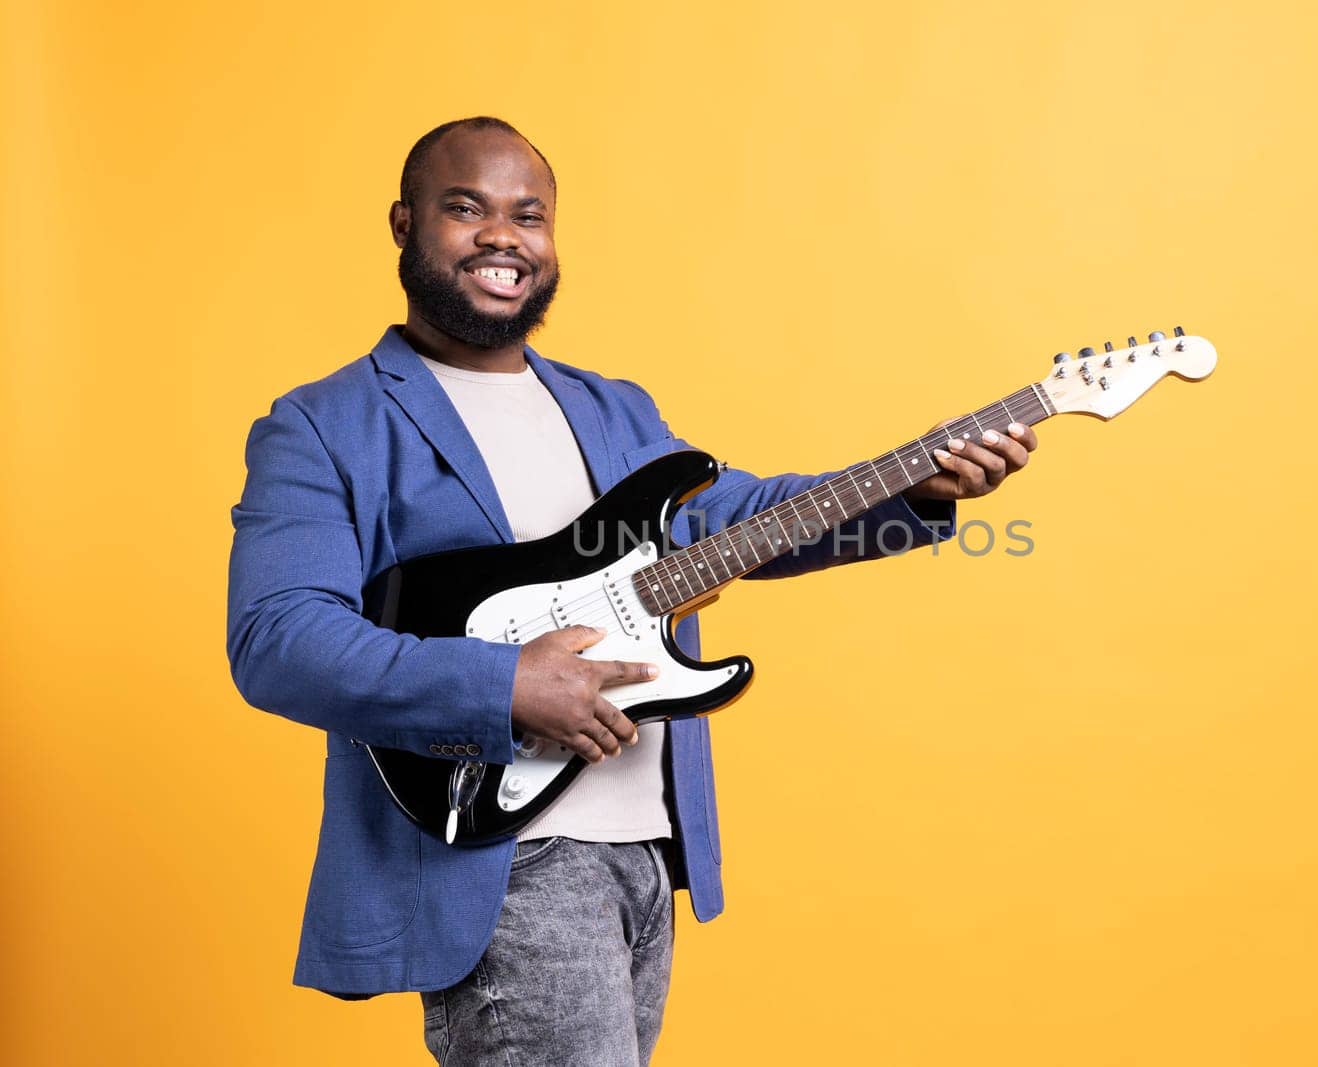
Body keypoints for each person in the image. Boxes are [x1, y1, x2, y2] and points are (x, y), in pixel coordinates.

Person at [226, 115, 1038, 1066]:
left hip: (647, 850)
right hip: (504, 863)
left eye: (529, 216)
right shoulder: (323, 424)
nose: (503, 236)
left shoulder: (617, 408)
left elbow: (748, 519)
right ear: (403, 225)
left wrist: (915, 486)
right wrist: (504, 687)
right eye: (466, 209)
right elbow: (279, 638)